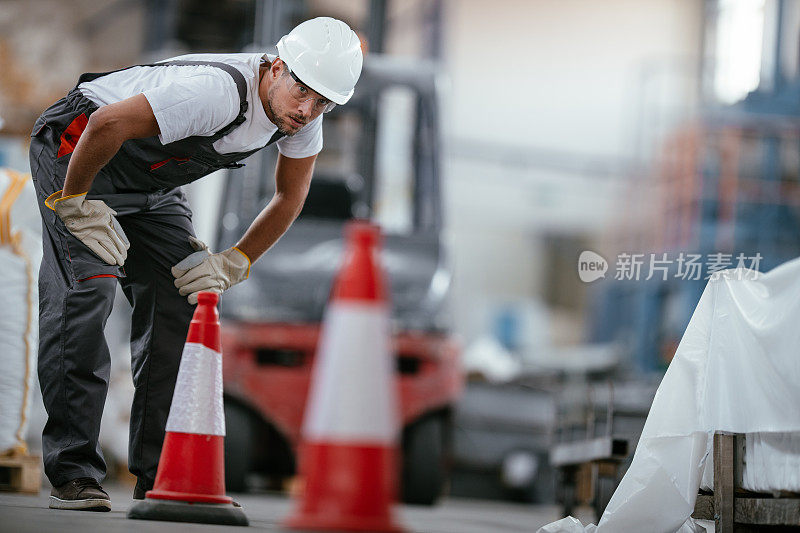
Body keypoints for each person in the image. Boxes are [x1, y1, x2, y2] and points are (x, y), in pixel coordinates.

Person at [28, 16, 363, 511]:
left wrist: (236, 261)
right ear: (276, 66)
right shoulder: (217, 93)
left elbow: (290, 196)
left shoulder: (301, 120)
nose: (308, 109)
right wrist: (74, 200)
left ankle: (159, 473)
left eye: (323, 103)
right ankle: (73, 472)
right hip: (78, 150)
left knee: (184, 302)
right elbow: (106, 123)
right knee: (87, 293)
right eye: (303, 90)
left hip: (150, 185)